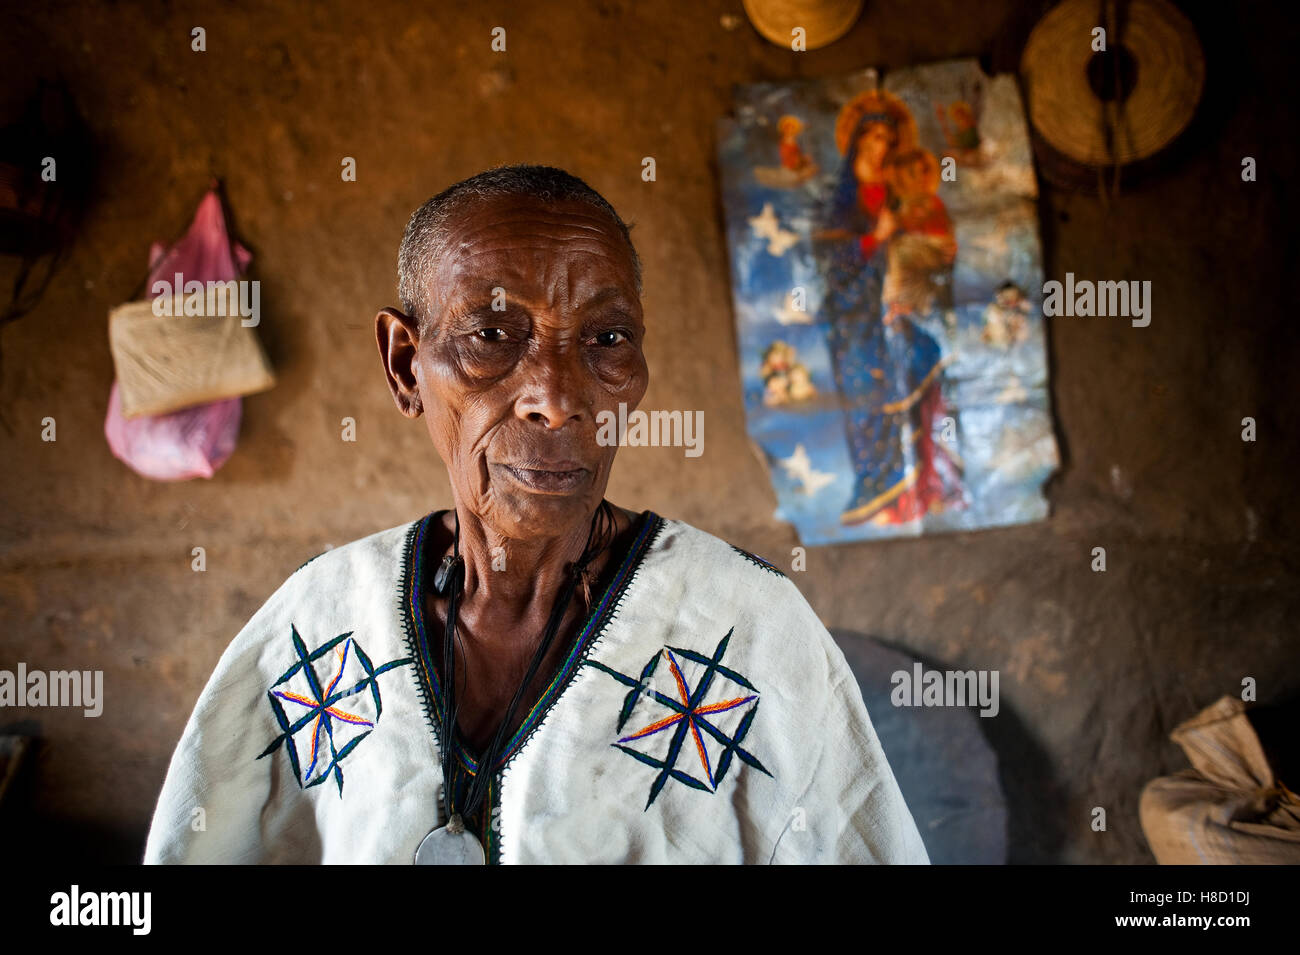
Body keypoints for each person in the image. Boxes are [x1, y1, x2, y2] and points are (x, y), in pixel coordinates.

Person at [143, 164, 929, 865]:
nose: (558, 398)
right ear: (405, 365)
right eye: (491, 334)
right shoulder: (313, 625)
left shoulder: (750, 631)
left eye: (606, 338)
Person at [812, 91, 964, 527]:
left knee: (923, 362)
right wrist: (874, 238)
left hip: (897, 308)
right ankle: (878, 485)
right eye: (875, 136)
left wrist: (937, 251)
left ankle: (927, 482)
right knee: (868, 394)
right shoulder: (840, 198)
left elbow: (921, 243)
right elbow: (828, 258)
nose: (882, 146)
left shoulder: (900, 192)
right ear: (858, 140)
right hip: (853, 315)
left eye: (889, 139)